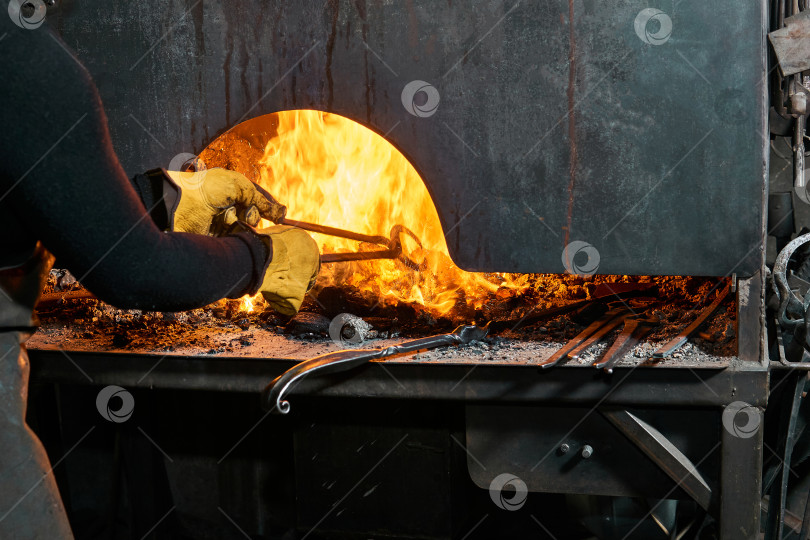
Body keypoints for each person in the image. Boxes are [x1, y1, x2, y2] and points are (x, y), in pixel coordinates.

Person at [0, 8, 320, 538]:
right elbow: (133, 272)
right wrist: (259, 258)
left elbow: (38, 188)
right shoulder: (21, 60)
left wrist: (167, 199)